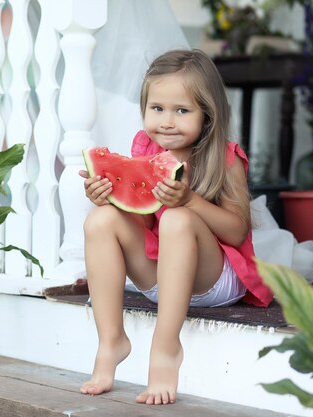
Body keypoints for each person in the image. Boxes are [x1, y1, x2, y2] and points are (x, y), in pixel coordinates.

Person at [78, 49, 273, 405]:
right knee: (100, 220)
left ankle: (166, 349)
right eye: (157, 109)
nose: (167, 121)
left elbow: (237, 232)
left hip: (213, 280)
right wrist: (107, 196)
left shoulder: (225, 158)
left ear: (208, 115)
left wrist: (190, 201)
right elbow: (138, 220)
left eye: (182, 111)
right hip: (159, 277)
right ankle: (111, 342)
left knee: (179, 219)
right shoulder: (144, 149)